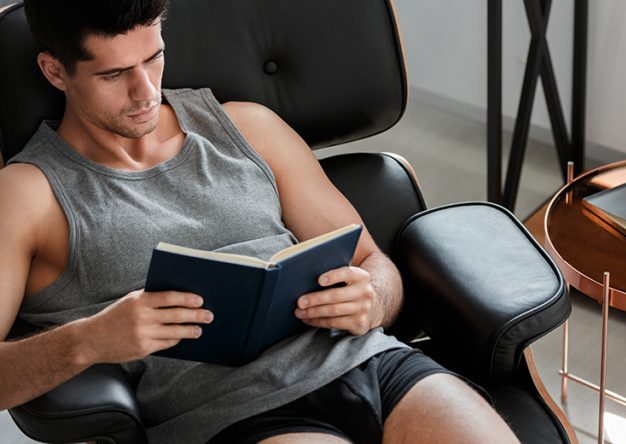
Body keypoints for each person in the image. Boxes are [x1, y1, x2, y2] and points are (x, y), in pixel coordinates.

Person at [0, 1, 519, 443]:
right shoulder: (28, 194)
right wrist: (90, 340)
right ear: (54, 71)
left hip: (375, 364)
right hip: (242, 416)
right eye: (114, 74)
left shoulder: (249, 126)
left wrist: (375, 299)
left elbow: (371, 261)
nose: (145, 93)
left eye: (154, 58)